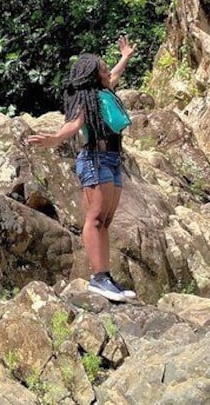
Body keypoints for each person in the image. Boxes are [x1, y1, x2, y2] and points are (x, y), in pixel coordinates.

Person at [28, 36, 136, 302]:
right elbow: (74, 125)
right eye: (101, 68)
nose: (106, 71)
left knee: (106, 220)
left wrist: (126, 56)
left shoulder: (104, 92)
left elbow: (114, 75)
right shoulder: (84, 100)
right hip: (93, 159)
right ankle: (99, 278)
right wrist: (54, 139)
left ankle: (106, 277)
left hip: (111, 160)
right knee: (96, 217)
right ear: (91, 74)